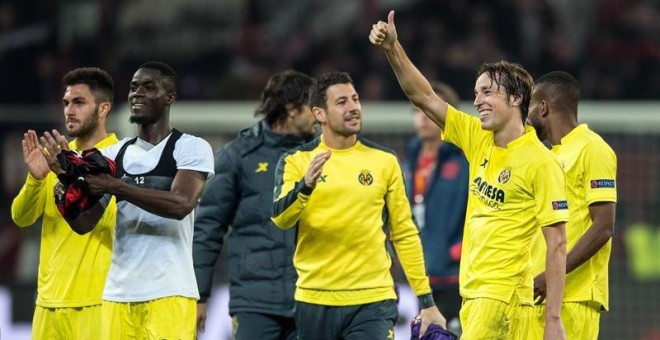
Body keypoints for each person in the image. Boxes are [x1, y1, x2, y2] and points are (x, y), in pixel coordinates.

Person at [370, 11, 569, 340]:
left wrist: (553, 319)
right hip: (475, 295)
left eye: (488, 92)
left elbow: (557, 243)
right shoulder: (478, 138)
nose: (478, 101)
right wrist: (393, 48)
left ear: (517, 98)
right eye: (476, 93)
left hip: (501, 299)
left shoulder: (540, 162)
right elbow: (423, 96)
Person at [39, 61, 215, 340]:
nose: (137, 93)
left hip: (170, 292)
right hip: (117, 295)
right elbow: (85, 223)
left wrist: (116, 186)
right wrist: (66, 182)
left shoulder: (190, 147)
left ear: (170, 97)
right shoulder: (114, 154)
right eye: (133, 88)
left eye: (148, 87)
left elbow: (181, 204)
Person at [271, 71, 447, 339]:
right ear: (319, 114)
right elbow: (280, 219)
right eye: (342, 102)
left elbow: (404, 232)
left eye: (355, 99)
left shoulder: (384, 161)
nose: (354, 107)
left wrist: (426, 301)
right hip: (315, 300)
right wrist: (304, 186)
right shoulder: (296, 161)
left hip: (373, 301)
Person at [193, 70, 315, 339]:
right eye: (312, 106)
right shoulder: (238, 156)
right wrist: (199, 296)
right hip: (255, 303)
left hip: (311, 297)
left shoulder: (319, 155)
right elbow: (208, 229)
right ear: (292, 109)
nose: (319, 114)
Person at [11, 67, 119, 339]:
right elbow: (21, 218)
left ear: (103, 108)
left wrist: (69, 175)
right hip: (48, 304)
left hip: (97, 303)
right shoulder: (55, 157)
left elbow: (107, 221)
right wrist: (36, 180)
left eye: (79, 102)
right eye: (66, 103)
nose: (69, 110)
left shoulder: (121, 158)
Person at [526, 71, 617, 340]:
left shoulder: (593, 149)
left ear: (543, 107)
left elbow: (604, 227)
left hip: (573, 298)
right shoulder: (545, 156)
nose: (526, 117)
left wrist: (552, 275)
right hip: (538, 296)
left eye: (529, 107)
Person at [403, 81, 468, 335]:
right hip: (420, 277)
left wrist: (462, 248)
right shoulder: (409, 158)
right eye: (418, 110)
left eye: (430, 109)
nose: (424, 117)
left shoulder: (466, 158)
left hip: (457, 275)